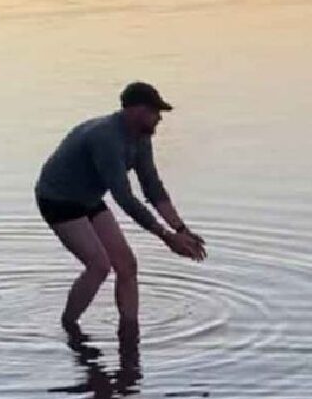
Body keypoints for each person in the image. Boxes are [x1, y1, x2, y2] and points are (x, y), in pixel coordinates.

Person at [34, 82, 206, 336]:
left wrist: (181, 229)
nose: (159, 118)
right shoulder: (105, 138)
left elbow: (152, 188)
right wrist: (166, 237)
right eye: (154, 111)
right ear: (136, 111)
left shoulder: (141, 138)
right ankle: (69, 329)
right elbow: (124, 197)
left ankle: (130, 334)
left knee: (126, 265)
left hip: (89, 198)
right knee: (99, 265)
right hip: (58, 199)